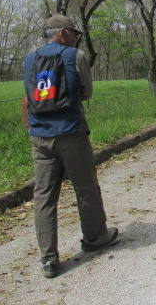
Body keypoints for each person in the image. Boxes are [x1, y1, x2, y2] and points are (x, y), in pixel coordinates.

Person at [23, 15, 118, 279]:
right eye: (74, 33)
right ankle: (95, 238)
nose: (76, 38)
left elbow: (29, 94)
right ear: (63, 32)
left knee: (44, 196)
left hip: (39, 135)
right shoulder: (75, 56)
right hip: (70, 132)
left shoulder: (29, 60)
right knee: (86, 188)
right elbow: (86, 92)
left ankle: (48, 259)